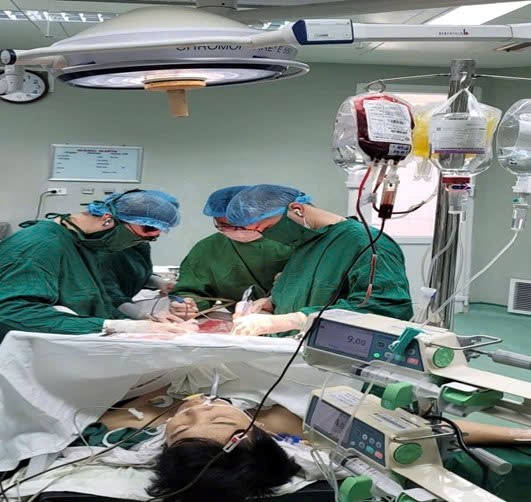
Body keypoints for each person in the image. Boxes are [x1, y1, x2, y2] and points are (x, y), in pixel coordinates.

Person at [73, 385, 530, 502]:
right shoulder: (290, 425)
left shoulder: (153, 426)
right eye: (210, 416)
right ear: (251, 435)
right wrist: (515, 433)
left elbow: (96, 419)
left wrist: (160, 405)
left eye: (186, 421)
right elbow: (413, 430)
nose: (198, 407)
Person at [0, 189, 196, 339]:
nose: (141, 241)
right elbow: (10, 313)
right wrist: (118, 327)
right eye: (146, 231)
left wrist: (142, 321)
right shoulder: (39, 244)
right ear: (107, 219)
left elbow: (93, 302)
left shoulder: (83, 244)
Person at [224, 184, 413, 336]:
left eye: (266, 228)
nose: (267, 235)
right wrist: (270, 302)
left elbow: (382, 308)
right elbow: (306, 289)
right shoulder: (305, 243)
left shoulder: (366, 242)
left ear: (297, 209)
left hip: (336, 357)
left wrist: (290, 320)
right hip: (293, 351)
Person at [170, 186, 292, 319]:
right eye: (227, 226)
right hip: (242, 320)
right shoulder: (208, 248)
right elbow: (191, 291)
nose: (239, 231)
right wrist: (188, 306)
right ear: (216, 220)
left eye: (245, 224)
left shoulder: (292, 240)